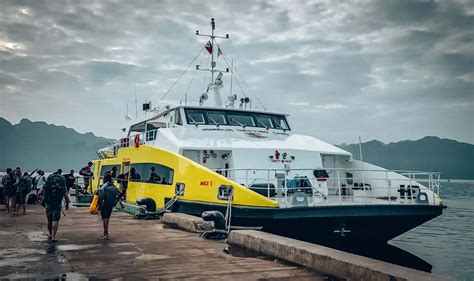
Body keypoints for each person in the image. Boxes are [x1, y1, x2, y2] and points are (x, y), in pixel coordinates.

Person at [40, 172, 70, 242]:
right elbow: (66, 196)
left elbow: (39, 193)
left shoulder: (48, 183)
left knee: (49, 220)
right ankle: (53, 237)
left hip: (48, 204)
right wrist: (67, 204)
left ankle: (50, 234)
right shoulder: (62, 185)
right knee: (55, 220)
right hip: (57, 204)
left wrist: (41, 198)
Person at [96, 173, 121, 240]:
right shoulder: (114, 186)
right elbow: (120, 193)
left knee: (104, 218)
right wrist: (116, 201)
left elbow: (99, 193)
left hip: (104, 204)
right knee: (107, 218)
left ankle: (106, 234)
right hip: (111, 204)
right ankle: (105, 232)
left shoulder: (104, 186)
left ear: (105, 178)